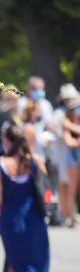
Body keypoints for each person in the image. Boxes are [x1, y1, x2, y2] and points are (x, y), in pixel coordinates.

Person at [0, 125, 49, 272]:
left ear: (7, 142)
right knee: (35, 259)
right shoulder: (34, 161)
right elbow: (46, 185)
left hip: (10, 220)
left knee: (14, 263)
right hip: (34, 219)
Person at [49, 84, 80, 222]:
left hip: (70, 152)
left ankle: (69, 215)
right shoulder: (61, 115)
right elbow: (66, 137)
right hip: (64, 153)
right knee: (65, 184)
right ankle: (67, 215)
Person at [62, 100, 80, 228]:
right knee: (72, 189)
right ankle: (71, 218)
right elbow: (69, 142)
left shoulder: (69, 125)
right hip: (73, 159)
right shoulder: (66, 124)